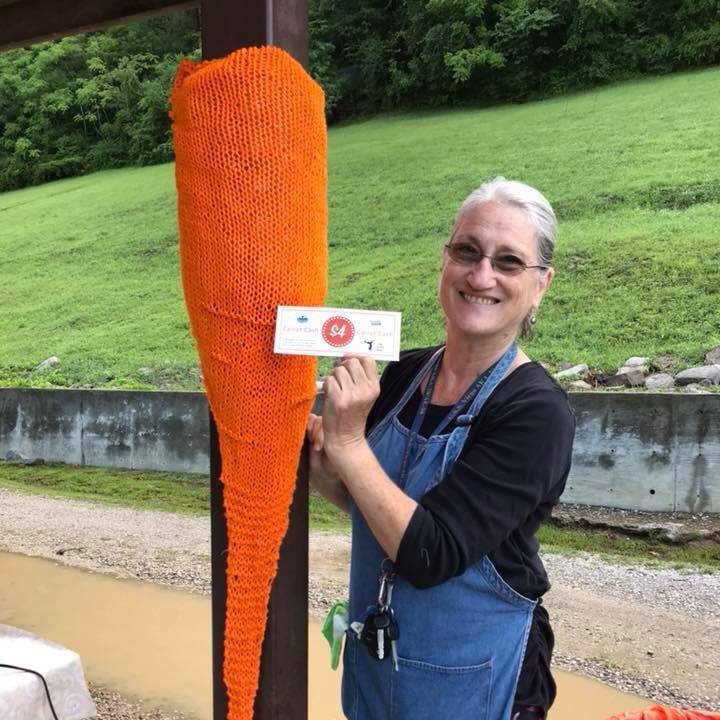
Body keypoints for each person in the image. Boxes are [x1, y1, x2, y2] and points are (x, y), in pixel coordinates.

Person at [307, 177, 576, 720]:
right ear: (445, 259)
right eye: (467, 252)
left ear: (541, 284)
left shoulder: (535, 412)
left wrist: (348, 444)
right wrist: (326, 470)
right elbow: (386, 503)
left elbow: (431, 551)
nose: (482, 276)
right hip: (380, 669)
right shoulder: (407, 372)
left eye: (508, 262)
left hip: (477, 681)